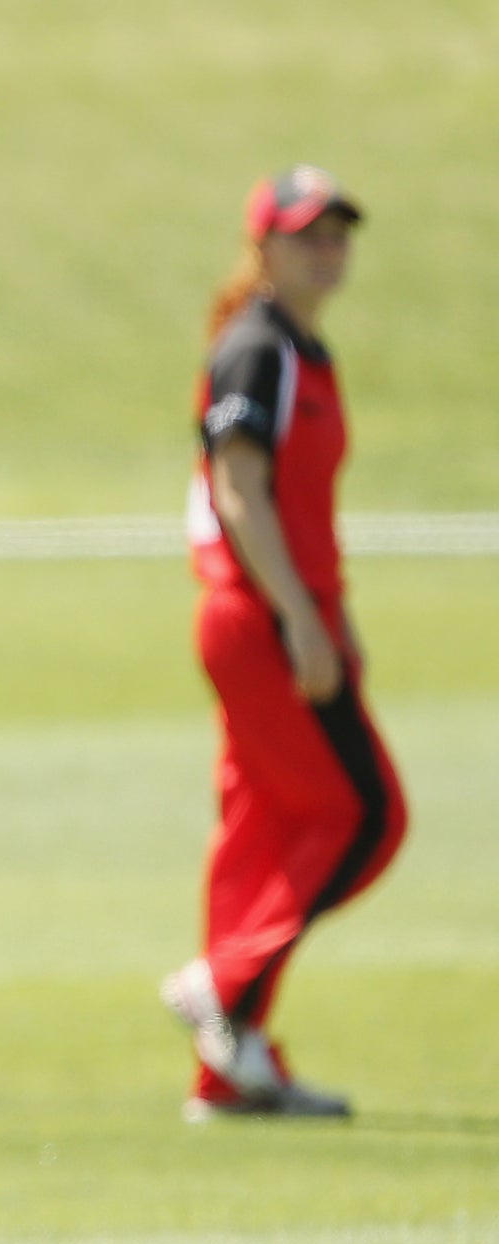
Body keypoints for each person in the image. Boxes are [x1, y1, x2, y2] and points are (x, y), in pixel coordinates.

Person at [163, 165, 407, 1122]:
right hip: (257, 618)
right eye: (309, 233)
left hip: (284, 614)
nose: (328, 248)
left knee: (263, 830)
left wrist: (333, 612)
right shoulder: (257, 346)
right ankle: (222, 988)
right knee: (364, 813)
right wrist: (305, 617)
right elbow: (238, 491)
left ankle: (228, 1072)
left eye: (339, 232)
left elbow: (305, 507)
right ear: (261, 246)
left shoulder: (305, 350)